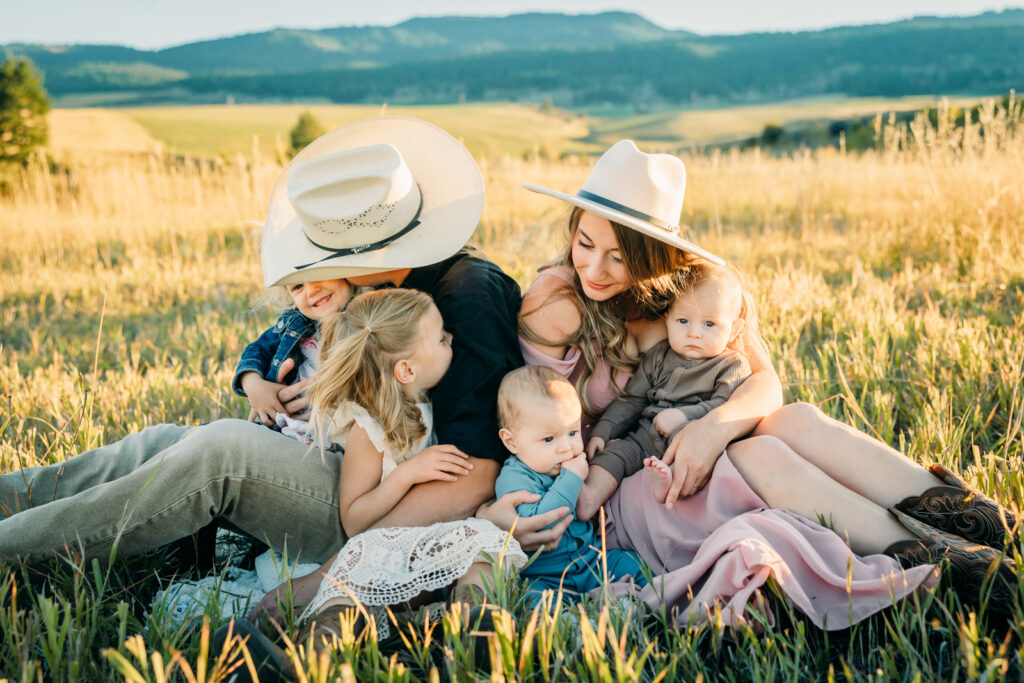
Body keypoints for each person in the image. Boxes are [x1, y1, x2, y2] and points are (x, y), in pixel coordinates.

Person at [501, 138, 1017, 627]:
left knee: (796, 418)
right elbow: (521, 415)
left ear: (656, 256)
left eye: (620, 256)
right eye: (584, 243)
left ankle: (990, 527)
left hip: (689, 449)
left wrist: (712, 429)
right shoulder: (557, 302)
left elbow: (765, 384)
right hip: (608, 485)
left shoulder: (692, 292)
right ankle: (953, 569)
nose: (594, 267)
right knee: (765, 453)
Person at [0, 117, 543, 578]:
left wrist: (353, 560)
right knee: (169, 439)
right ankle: (9, 500)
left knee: (220, 451)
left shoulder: (467, 296)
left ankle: (13, 550)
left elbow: (478, 469)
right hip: (345, 463)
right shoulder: (378, 287)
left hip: (373, 505)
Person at [582, 263, 752, 512]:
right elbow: (632, 399)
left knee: (702, 464)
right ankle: (589, 497)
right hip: (643, 438)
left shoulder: (731, 365)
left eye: (709, 324)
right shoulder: (659, 356)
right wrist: (603, 431)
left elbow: (723, 406)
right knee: (614, 454)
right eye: (683, 320)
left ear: (734, 329)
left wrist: (684, 415)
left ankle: (666, 481)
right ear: (667, 320)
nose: (694, 333)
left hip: (688, 442)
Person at [494, 366, 646, 603]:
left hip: (591, 561)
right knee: (533, 599)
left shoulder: (563, 464)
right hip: (545, 577)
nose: (567, 447)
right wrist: (572, 478)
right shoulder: (514, 479)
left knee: (630, 563)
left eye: (573, 432)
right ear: (512, 442)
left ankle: (647, 602)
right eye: (548, 438)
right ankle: (570, 625)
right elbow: (540, 521)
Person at [234, 277, 354, 440]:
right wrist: (252, 383)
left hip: (343, 442)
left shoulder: (372, 319)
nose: (312, 291)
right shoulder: (294, 323)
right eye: (298, 286)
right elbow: (256, 351)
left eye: (320, 274)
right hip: (291, 431)